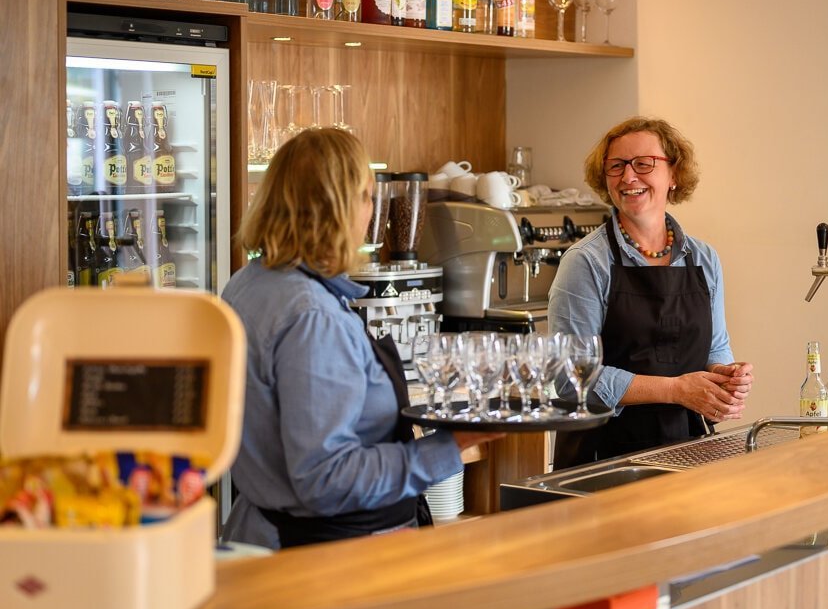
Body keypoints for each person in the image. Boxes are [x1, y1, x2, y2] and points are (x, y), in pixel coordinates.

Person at [221, 128, 499, 549]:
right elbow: (325, 479)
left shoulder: (249, 282)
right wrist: (453, 445)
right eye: (369, 197)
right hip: (320, 554)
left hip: (261, 533)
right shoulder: (312, 316)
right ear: (341, 207)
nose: (372, 211)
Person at [548, 116, 754, 469]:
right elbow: (571, 379)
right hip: (604, 457)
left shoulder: (704, 259)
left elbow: (715, 347)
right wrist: (676, 390)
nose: (629, 177)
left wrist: (727, 376)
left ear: (674, 174)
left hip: (688, 450)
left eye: (644, 164)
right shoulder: (585, 262)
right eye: (616, 166)